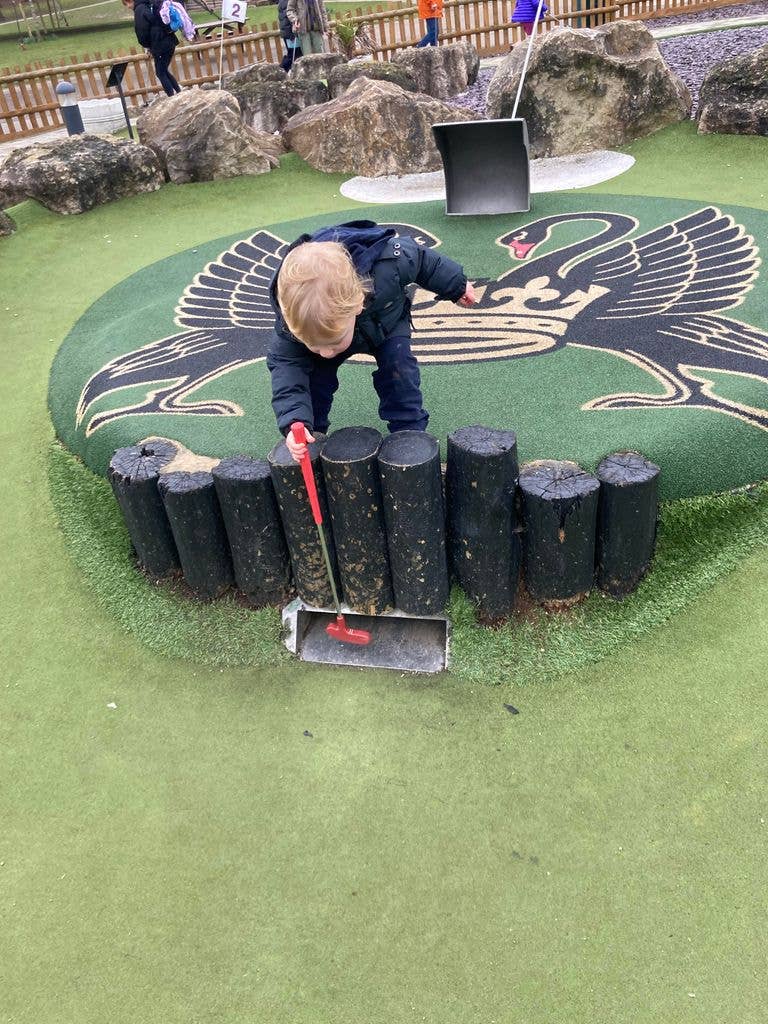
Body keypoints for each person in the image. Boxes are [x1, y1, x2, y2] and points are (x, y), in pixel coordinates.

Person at [267, 220, 476, 462]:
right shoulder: (296, 323)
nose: (326, 352)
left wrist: (456, 285)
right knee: (316, 375)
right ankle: (312, 433)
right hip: (335, 327)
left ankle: (409, 431)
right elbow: (287, 373)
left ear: (357, 304)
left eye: (332, 343)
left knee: (399, 369)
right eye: (313, 344)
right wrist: (295, 421)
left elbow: (422, 259)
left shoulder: (389, 263)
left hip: (385, 322)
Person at [123, 0, 181, 98]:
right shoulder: (148, 5)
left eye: (127, 4)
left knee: (160, 73)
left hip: (160, 44)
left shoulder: (139, 10)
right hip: (169, 41)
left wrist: (147, 45)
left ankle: (172, 97)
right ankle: (179, 92)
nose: (127, 7)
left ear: (130, 1)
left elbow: (142, 32)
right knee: (163, 70)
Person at [278, 0, 303, 70]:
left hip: (288, 32)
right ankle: (281, 70)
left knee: (294, 55)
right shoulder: (287, 2)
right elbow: (287, 18)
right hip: (291, 33)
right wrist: (292, 35)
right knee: (294, 56)